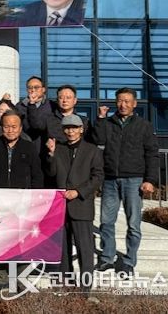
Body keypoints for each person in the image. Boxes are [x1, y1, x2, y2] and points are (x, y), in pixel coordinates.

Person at [94, 88, 159, 276]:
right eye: (120, 101)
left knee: (133, 224)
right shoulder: (108, 123)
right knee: (106, 222)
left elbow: (152, 154)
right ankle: (107, 258)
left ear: (134, 104)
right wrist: (100, 119)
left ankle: (129, 261)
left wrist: (150, 180)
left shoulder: (144, 126)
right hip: (110, 179)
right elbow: (97, 139)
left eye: (127, 101)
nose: (123, 104)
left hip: (134, 180)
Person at [0, 111, 43, 295]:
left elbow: (36, 175)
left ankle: (21, 278)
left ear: (20, 128)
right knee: (0, 242)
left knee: (23, 242)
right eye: (6, 126)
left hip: (23, 203)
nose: (10, 130)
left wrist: (35, 199)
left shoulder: (29, 147)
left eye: (14, 126)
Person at [46, 114, 103, 292]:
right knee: (63, 249)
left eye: (74, 128)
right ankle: (67, 283)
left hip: (81, 205)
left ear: (81, 129)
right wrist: (51, 154)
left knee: (85, 249)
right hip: (61, 206)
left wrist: (78, 192)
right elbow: (51, 173)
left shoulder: (92, 150)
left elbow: (97, 177)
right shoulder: (59, 149)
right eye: (67, 128)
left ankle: (85, 288)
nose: (70, 131)